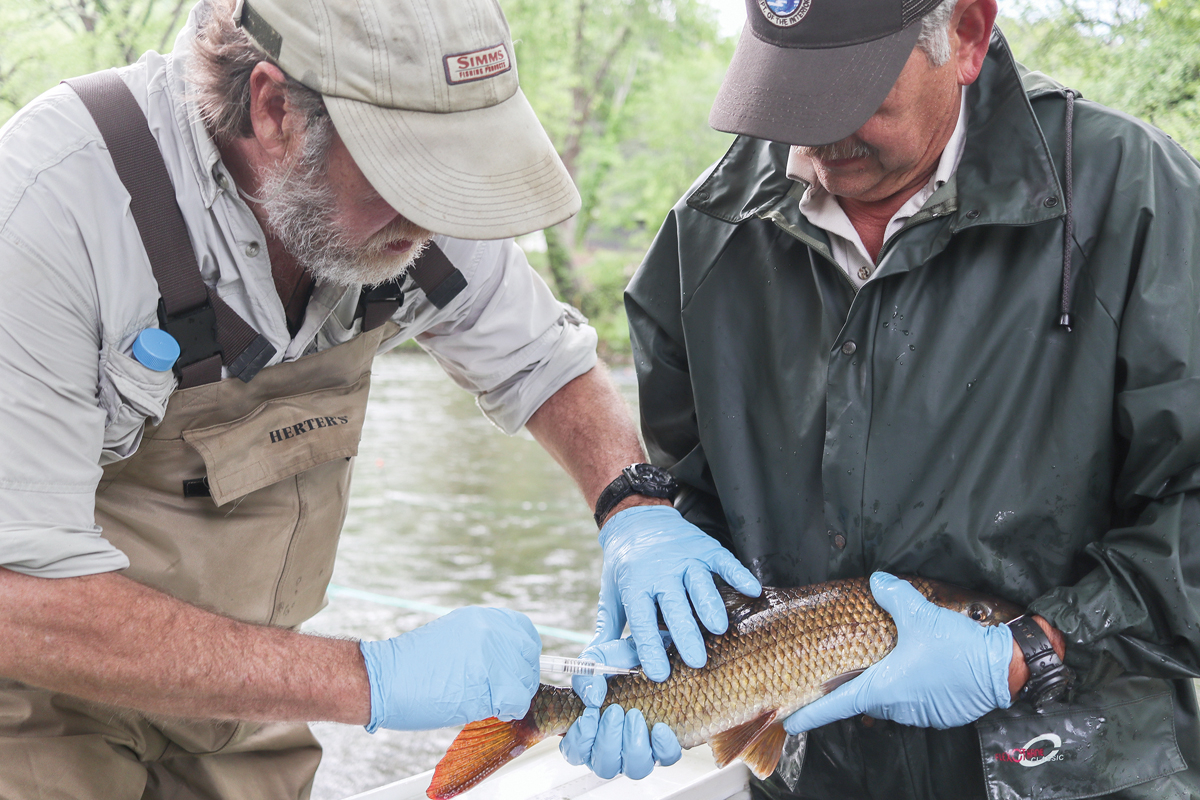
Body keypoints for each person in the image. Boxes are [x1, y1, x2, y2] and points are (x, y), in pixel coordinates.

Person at [0, 0, 764, 795]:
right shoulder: (52, 207)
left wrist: (634, 510)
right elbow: (15, 601)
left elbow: (543, 361)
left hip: (239, 702)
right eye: (411, 175)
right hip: (38, 700)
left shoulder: (414, 208)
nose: (438, 215)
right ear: (274, 109)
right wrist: (375, 680)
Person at [562, 0, 1200, 797]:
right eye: (792, 94)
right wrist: (657, 595)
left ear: (966, 34)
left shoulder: (1136, 196)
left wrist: (1030, 651)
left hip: (1078, 776)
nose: (818, 137)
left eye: (852, 93)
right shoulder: (705, 234)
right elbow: (698, 512)